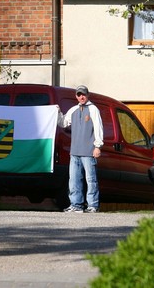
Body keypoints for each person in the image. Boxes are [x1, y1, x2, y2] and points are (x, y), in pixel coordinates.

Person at [57, 85, 104, 213]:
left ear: (88, 95)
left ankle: (93, 205)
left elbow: (98, 128)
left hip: (89, 152)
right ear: (76, 96)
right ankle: (76, 205)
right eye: (79, 94)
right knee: (73, 180)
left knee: (91, 180)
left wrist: (97, 146)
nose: (81, 97)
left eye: (83, 94)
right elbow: (63, 123)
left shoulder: (93, 109)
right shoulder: (73, 110)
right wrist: (58, 113)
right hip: (75, 152)